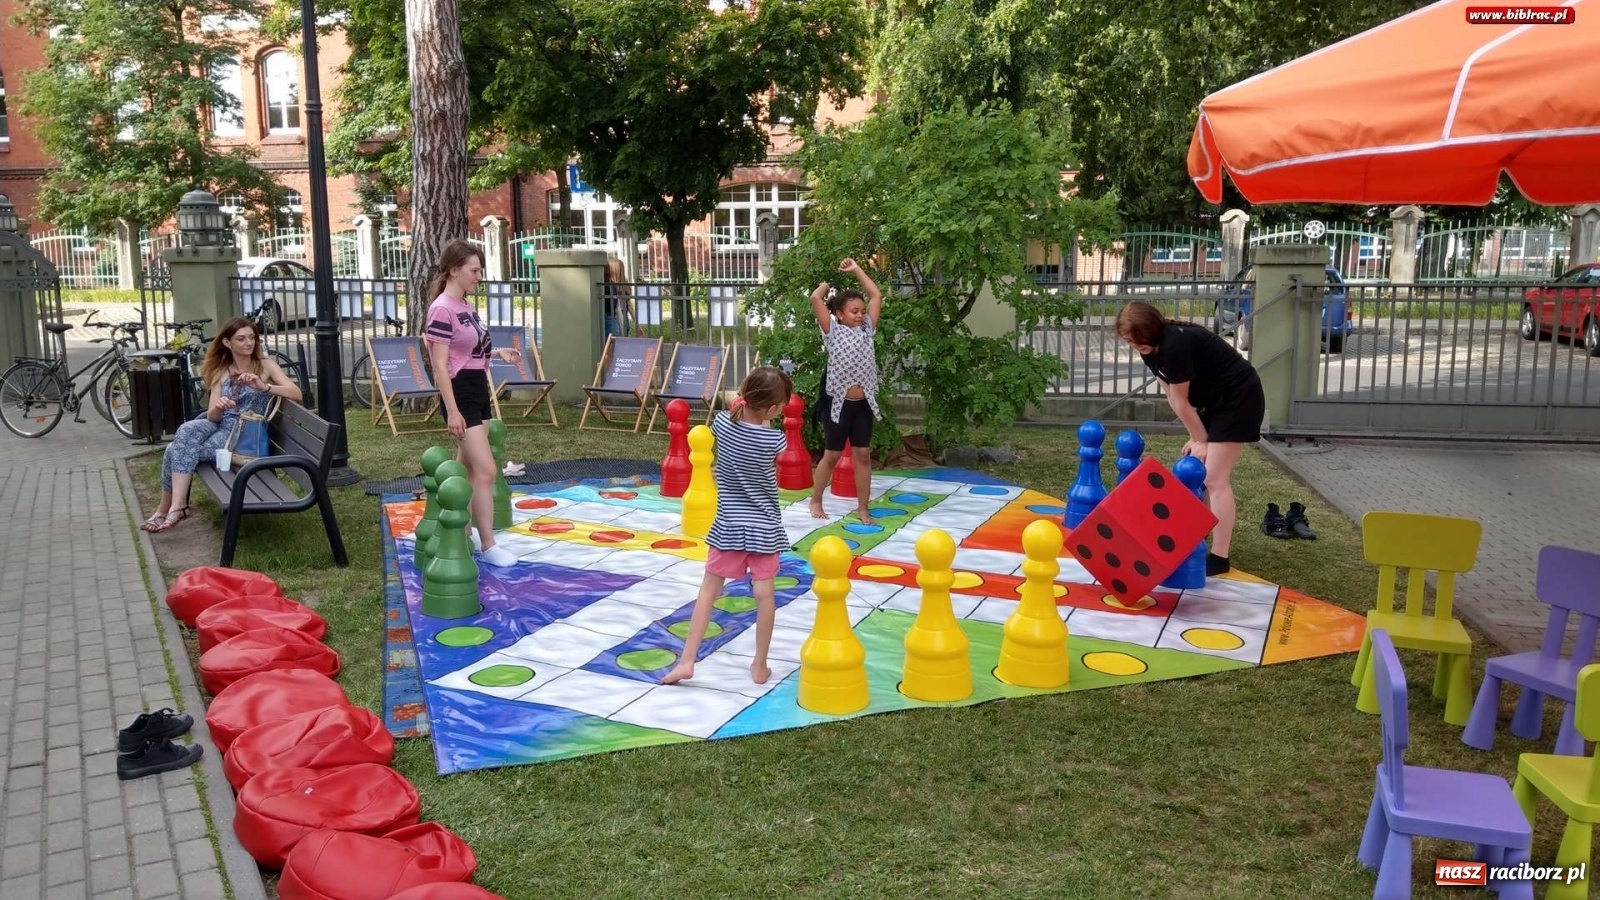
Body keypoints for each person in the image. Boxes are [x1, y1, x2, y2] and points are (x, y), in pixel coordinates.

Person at [661, 366, 793, 687]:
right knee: (764, 595)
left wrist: (749, 405)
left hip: (729, 524)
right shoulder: (775, 440)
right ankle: (759, 665)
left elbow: (736, 410)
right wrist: (766, 418)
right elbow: (774, 442)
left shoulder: (721, 424)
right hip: (763, 527)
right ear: (773, 410)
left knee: (708, 590)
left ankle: (687, 659)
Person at [1114, 301, 1265, 576]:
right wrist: (1197, 439)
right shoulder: (1151, 349)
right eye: (1128, 341)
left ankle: (1219, 557)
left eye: (1136, 339)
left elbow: (1182, 402)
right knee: (1197, 471)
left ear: (1151, 329)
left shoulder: (1174, 346)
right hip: (1214, 402)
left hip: (1238, 398)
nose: (1134, 345)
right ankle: (1193, 539)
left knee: (1213, 479)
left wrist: (1202, 440)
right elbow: (1172, 395)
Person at [141, 317, 303, 532]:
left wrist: (264, 387)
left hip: (242, 434)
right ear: (227, 343)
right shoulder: (222, 370)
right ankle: (176, 507)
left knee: (175, 448)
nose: (249, 343)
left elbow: (296, 393)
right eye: (241, 338)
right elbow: (212, 416)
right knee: (186, 430)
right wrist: (220, 405)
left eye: (252, 337)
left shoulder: (265, 366)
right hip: (220, 425)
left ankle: (168, 508)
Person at [424, 239, 526, 569]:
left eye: (480, 270)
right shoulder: (442, 308)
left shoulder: (465, 306)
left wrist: (496, 353)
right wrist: (452, 410)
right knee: (486, 470)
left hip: (477, 386)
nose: (479, 276)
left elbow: (465, 350)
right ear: (454, 270)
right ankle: (488, 543)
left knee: (467, 470)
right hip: (460, 392)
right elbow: (440, 364)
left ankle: (460, 535)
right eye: (474, 270)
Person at [807, 257, 883, 524]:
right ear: (839, 314)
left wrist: (856, 270)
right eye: (854, 311)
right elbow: (817, 298)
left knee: (862, 453)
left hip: (863, 402)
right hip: (837, 402)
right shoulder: (832, 330)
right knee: (833, 454)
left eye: (862, 310)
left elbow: (876, 294)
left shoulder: (867, 330)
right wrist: (830, 281)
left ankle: (863, 508)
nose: (860, 314)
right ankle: (816, 499)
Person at [602, 254, 633, 337]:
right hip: (620, 317)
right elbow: (629, 305)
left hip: (617, 317)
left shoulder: (611, 286)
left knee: (615, 342)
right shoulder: (621, 286)